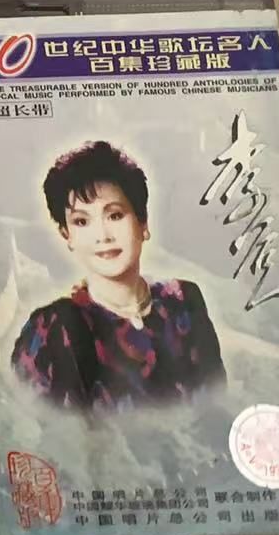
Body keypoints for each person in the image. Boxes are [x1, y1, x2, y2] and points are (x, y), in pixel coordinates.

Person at [11, 140, 226, 411]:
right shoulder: (53, 327)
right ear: (68, 236)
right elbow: (43, 426)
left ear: (142, 223)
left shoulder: (184, 302)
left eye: (114, 215)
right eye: (81, 221)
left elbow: (219, 404)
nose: (102, 236)